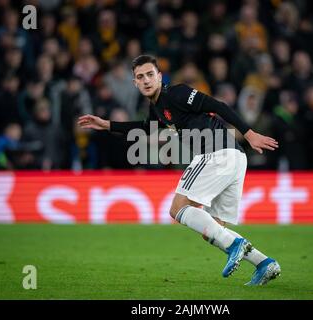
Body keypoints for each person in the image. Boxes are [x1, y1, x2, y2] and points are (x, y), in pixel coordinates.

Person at [78, 55, 281, 286]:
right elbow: (146, 127)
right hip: (235, 158)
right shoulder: (157, 107)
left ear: (159, 76)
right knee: (212, 229)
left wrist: (249, 133)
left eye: (149, 74)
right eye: (140, 77)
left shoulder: (177, 94)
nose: (145, 80)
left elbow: (218, 106)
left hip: (216, 152)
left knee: (177, 209)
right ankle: (264, 263)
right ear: (135, 82)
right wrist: (107, 125)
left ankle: (236, 245)